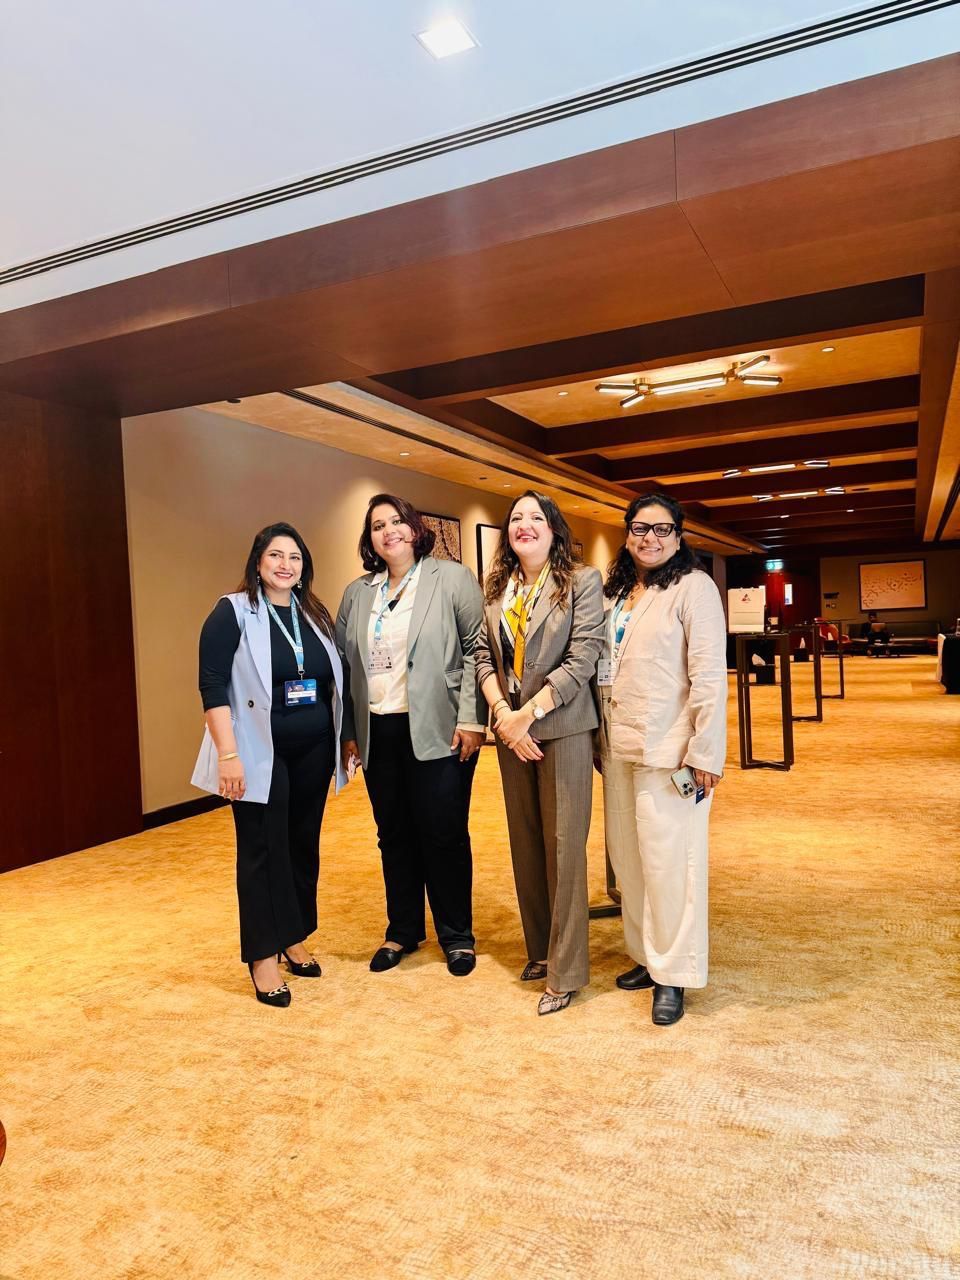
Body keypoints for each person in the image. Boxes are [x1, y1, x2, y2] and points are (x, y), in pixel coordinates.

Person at [192, 522, 347, 1007]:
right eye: (276, 555)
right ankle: (262, 956)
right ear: (258, 562)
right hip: (259, 751)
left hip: (313, 750)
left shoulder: (313, 613)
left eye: (294, 557)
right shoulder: (232, 611)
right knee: (262, 848)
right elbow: (212, 686)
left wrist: (344, 740)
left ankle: (293, 936)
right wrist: (228, 755)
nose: (285, 565)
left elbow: (332, 681)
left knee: (301, 844)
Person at [335, 495, 485, 977]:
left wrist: (471, 719)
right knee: (393, 834)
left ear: (415, 528)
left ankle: (457, 936)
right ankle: (402, 929)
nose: (389, 531)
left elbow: (476, 649)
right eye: (378, 525)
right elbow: (343, 668)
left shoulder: (452, 578)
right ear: (370, 539)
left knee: (443, 832)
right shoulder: (359, 593)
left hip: (440, 727)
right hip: (379, 730)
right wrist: (350, 731)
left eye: (397, 521)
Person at [597, 493, 727, 1026]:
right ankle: (646, 957)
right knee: (630, 860)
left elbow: (709, 676)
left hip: (671, 749)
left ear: (678, 535)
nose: (649, 538)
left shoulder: (694, 588)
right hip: (618, 745)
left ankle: (673, 973)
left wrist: (706, 751)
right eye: (640, 528)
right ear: (627, 533)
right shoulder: (619, 592)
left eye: (661, 529)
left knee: (671, 864)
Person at [475, 491, 604, 1016]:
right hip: (511, 730)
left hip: (562, 728)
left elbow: (584, 655)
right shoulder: (497, 588)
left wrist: (527, 715)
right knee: (526, 843)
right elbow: (482, 656)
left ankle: (566, 970)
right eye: (516, 518)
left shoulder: (582, 581)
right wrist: (503, 715)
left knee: (564, 848)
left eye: (535, 517)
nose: (524, 525)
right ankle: (540, 950)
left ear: (553, 529)